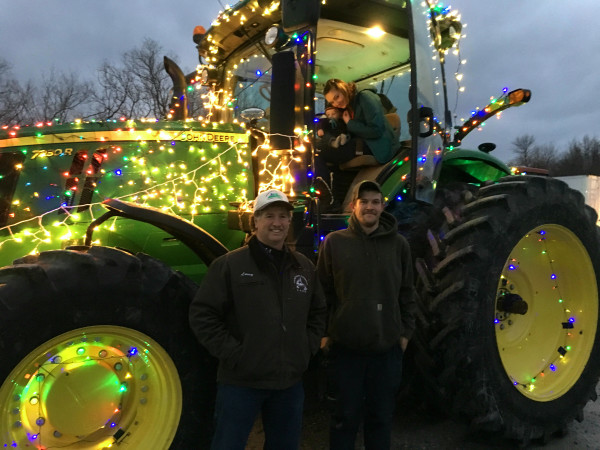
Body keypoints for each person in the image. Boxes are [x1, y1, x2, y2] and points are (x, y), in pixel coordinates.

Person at [189, 189, 327, 450]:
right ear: (255, 221)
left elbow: (318, 312)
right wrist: (237, 355)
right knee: (227, 445)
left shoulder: (303, 266)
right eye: (269, 216)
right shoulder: (229, 265)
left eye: (283, 216)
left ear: (290, 221)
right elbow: (203, 315)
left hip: (289, 383)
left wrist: (305, 349)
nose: (277, 223)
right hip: (241, 383)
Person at [316, 180, 417, 450]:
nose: (370, 207)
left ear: (383, 206)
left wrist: (406, 333)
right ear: (354, 206)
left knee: (380, 420)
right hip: (346, 349)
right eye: (364, 202)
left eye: (375, 202)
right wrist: (325, 334)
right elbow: (323, 292)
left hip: (386, 350)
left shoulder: (399, 245)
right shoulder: (335, 243)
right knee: (343, 418)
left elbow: (408, 292)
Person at [314, 79, 399, 209]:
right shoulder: (349, 105)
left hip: (377, 146)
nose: (337, 103)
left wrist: (350, 124)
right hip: (363, 142)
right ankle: (333, 200)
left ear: (343, 88)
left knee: (317, 152)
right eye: (332, 102)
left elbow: (377, 130)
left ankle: (329, 202)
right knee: (318, 149)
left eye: (337, 97)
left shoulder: (366, 97)